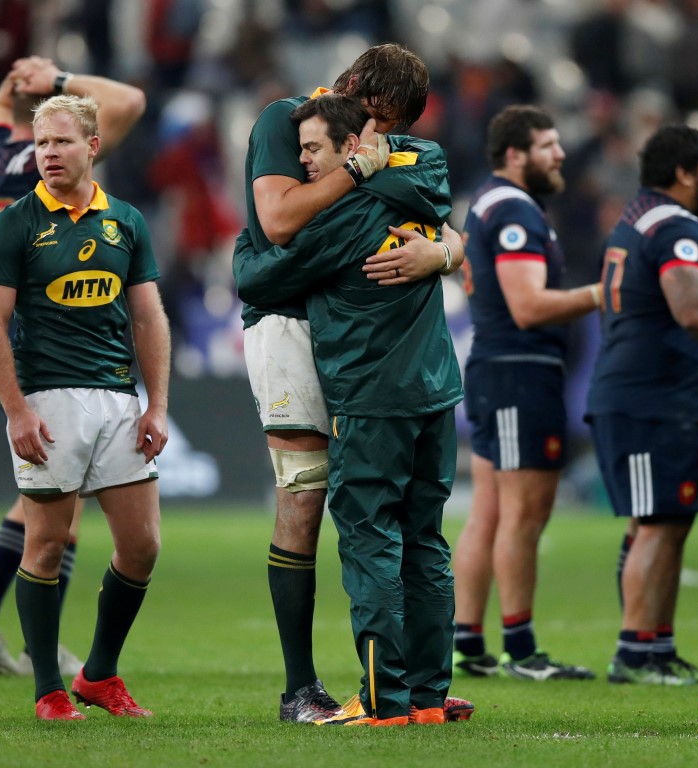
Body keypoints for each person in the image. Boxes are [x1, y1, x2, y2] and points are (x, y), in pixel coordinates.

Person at [236, 43, 470, 724]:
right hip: (357, 352)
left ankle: (388, 691)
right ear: (348, 91)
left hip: (363, 363)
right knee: (370, 518)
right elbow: (283, 220)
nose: (379, 135)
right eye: (372, 119)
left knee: (373, 526)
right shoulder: (295, 124)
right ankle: (364, 691)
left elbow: (266, 252)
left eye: (388, 127)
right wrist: (433, 240)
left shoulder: (373, 180)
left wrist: (442, 252)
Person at [0, 55, 146, 678]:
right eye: (49, 139)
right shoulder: (50, 174)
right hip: (52, 341)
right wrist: (57, 80)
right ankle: (28, 644)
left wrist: (13, 88)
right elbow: (129, 101)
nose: (52, 150)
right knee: (55, 520)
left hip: (27, 321)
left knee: (47, 514)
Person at [0, 94, 169, 721]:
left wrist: (156, 403)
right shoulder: (16, 223)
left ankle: (98, 675)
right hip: (47, 400)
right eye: (41, 144)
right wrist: (15, 410)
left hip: (117, 398)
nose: (48, 154)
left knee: (141, 547)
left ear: (92, 146)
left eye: (61, 142)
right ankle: (47, 691)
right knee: (47, 545)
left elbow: (147, 316)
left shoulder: (128, 222)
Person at [451, 105, 600, 682]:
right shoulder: (513, 207)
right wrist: (601, 293)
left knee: (490, 513)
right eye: (547, 145)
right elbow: (528, 304)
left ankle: (469, 641)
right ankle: (522, 650)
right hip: (516, 371)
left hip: (500, 370)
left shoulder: (494, 202)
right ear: (515, 154)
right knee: (523, 514)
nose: (559, 154)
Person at [584, 124, 698, 685]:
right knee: (657, 525)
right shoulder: (674, 226)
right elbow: (692, 310)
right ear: (685, 173)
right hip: (649, 397)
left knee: (666, 519)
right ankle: (636, 651)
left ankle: (656, 647)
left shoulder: (637, 216)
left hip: (654, 392)